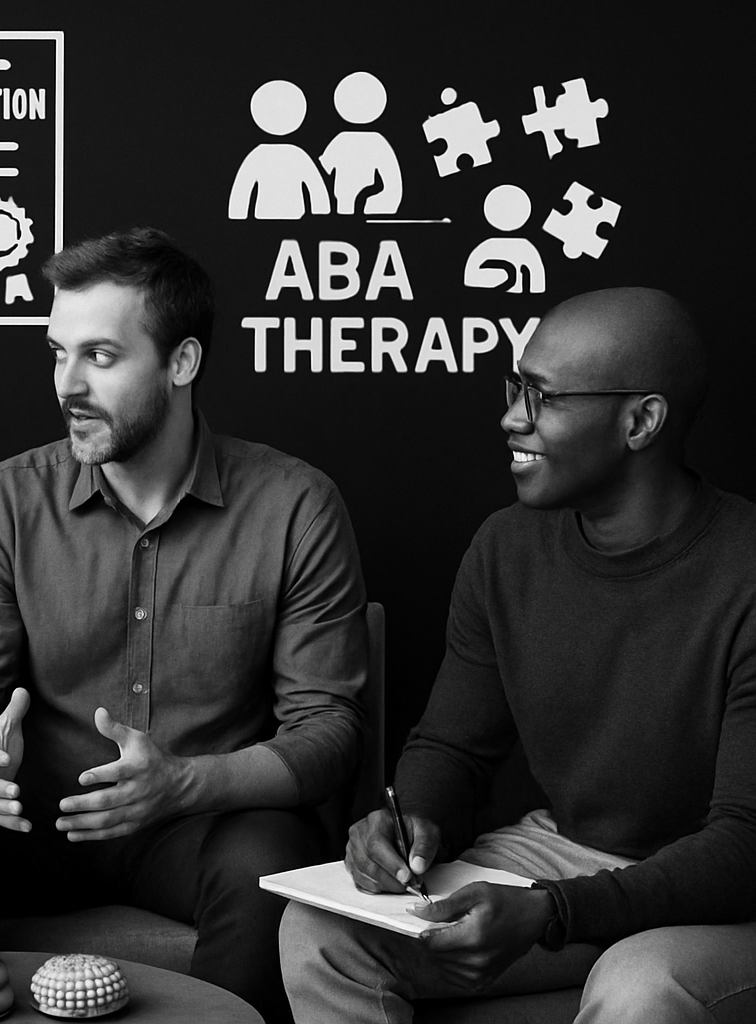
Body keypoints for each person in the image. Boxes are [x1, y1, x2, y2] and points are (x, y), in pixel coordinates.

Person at [0, 227, 368, 1024]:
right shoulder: (9, 499)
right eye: (56, 352)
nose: (67, 385)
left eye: (100, 358)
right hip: (39, 822)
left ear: (181, 364)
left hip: (201, 825)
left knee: (268, 857)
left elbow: (329, 733)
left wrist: (182, 782)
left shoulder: (294, 504)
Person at [280, 287, 756, 1023]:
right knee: (324, 932)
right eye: (515, 388)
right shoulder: (506, 549)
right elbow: (453, 746)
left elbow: (742, 847)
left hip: (726, 892)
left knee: (639, 986)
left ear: (641, 421)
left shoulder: (746, 570)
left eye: (542, 397)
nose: (511, 417)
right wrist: (414, 825)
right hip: (566, 853)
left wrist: (553, 914)